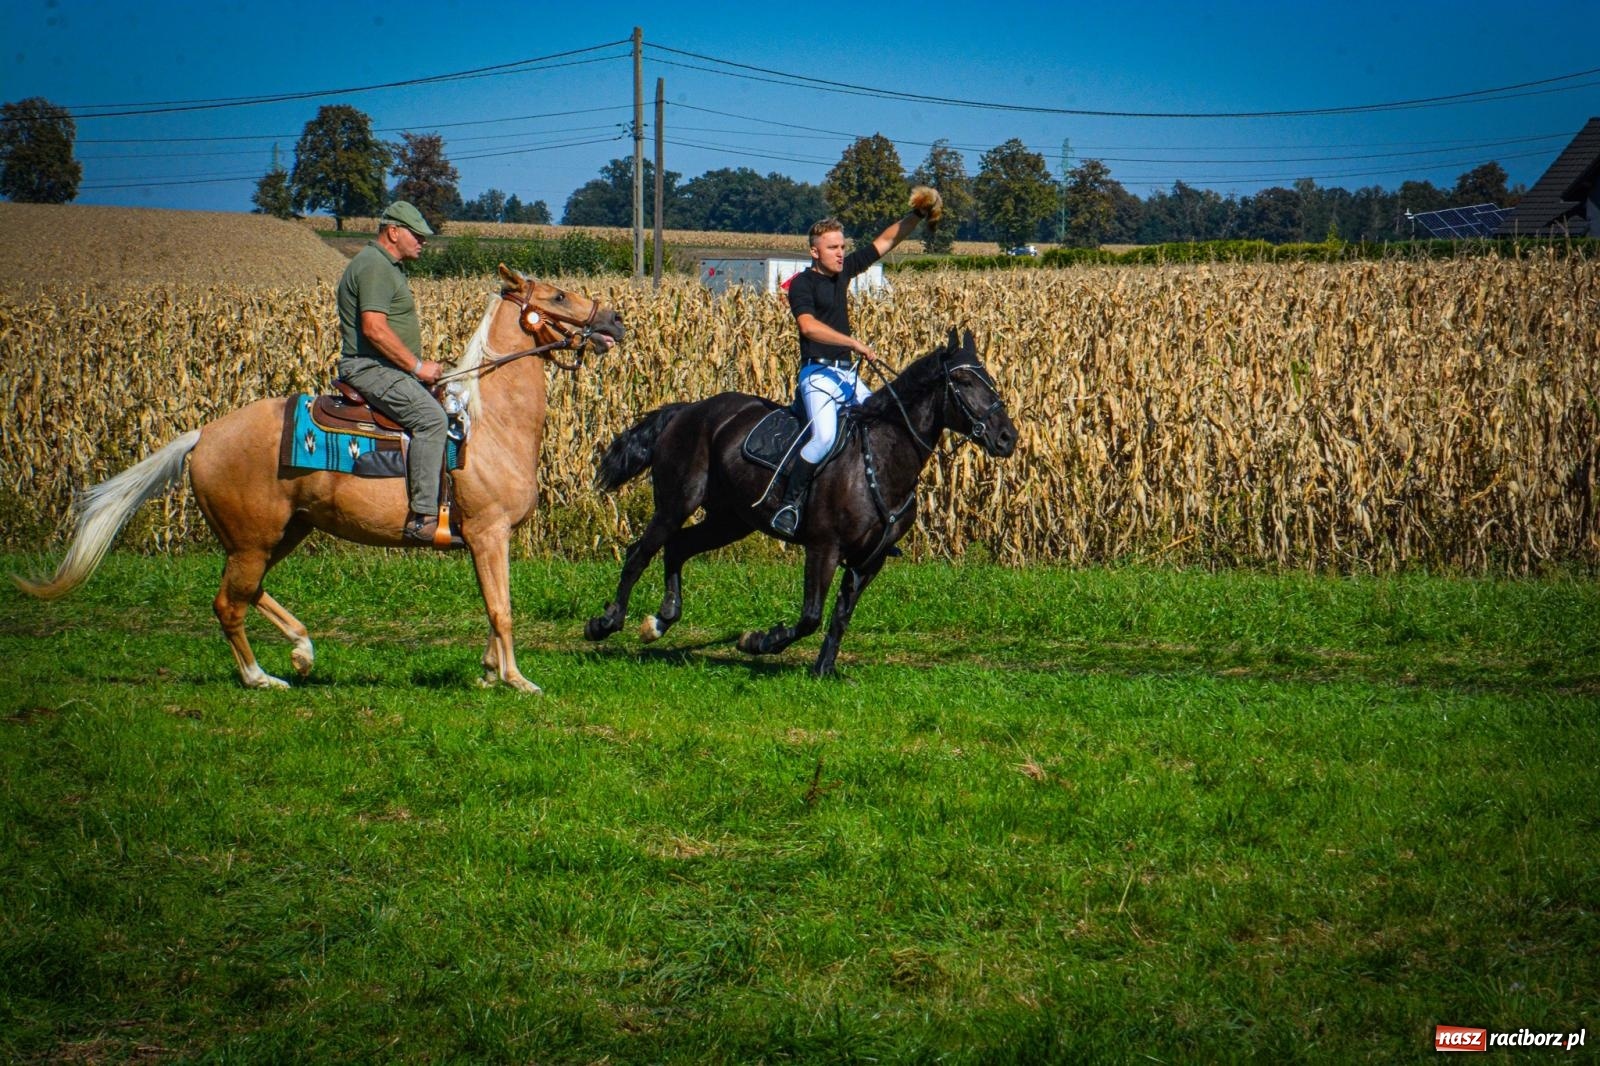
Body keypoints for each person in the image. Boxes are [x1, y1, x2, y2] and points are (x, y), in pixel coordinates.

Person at [773, 186, 942, 536]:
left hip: (846, 376)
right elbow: (808, 327)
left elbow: (886, 241)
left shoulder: (844, 271)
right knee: (823, 438)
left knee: (885, 427)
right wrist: (852, 342)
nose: (840, 253)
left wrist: (918, 214)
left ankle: (878, 517)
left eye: (842, 246)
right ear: (814, 251)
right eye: (832, 248)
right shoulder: (802, 284)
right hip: (818, 375)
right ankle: (789, 506)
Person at [335, 201, 452, 546]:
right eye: (417, 234)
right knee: (432, 420)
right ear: (394, 232)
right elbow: (373, 328)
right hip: (371, 368)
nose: (423, 241)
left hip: (386, 366)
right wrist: (417, 367)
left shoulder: (386, 266)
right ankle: (423, 517)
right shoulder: (375, 266)